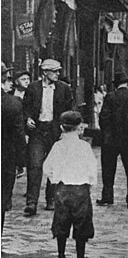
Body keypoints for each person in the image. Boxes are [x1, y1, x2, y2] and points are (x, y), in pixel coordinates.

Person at [43, 111, 97, 258]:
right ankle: (80, 257)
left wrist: (55, 179)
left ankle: (61, 256)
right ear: (79, 127)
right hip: (81, 190)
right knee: (82, 225)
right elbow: (92, 168)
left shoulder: (58, 146)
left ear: (61, 128)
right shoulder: (84, 146)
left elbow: (47, 167)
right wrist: (90, 184)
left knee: (61, 223)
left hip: (63, 190)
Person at [23, 59, 73, 216]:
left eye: (59, 71)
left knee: (54, 166)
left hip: (55, 131)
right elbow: (25, 107)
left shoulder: (64, 89)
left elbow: (69, 110)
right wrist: (28, 119)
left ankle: (51, 199)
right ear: (45, 72)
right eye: (55, 71)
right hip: (38, 130)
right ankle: (32, 202)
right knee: (35, 165)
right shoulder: (33, 88)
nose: (58, 74)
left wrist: (64, 127)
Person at [97, 71, 128, 209]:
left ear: (116, 84)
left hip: (111, 140)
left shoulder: (110, 97)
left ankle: (108, 196)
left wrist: (106, 133)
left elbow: (104, 118)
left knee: (108, 169)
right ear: (127, 83)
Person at [1, 62, 26, 231]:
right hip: (5, 159)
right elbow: (18, 136)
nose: (10, 82)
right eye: (7, 78)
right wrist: (21, 162)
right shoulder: (13, 104)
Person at [12, 70, 31, 178]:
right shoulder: (10, 94)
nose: (27, 82)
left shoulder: (31, 94)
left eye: (28, 79)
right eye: (23, 79)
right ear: (16, 82)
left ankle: (21, 167)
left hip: (26, 127)